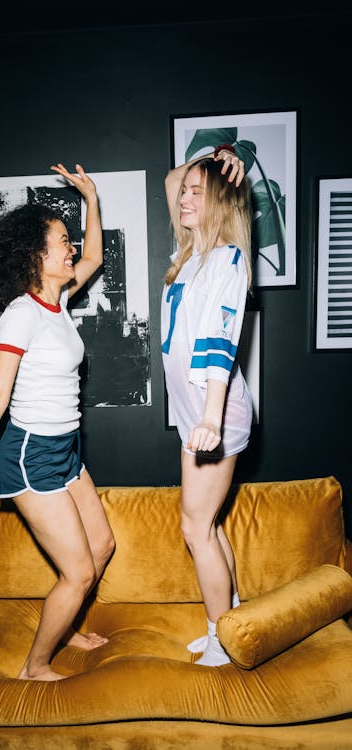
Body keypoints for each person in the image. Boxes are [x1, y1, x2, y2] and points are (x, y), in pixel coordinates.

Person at [0, 163, 115, 681]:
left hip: (66, 449)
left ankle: (67, 627)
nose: (71, 247)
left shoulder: (57, 303)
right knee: (78, 572)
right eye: (61, 240)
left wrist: (91, 200)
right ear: (35, 254)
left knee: (101, 546)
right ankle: (35, 666)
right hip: (31, 455)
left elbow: (96, 255)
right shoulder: (22, 313)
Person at [162, 146, 252, 666]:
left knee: (194, 527)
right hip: (195, 414)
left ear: (220, 203)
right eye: (187, 193)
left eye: (200, 192)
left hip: (213, 413)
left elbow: (220, 342)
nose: (186, 197)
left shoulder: (227, 260)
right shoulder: (193, 255)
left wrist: (210, 419)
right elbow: (174, 176)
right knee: (209, 524)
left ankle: (224, 637)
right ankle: (232, 618)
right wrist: (210, 157)